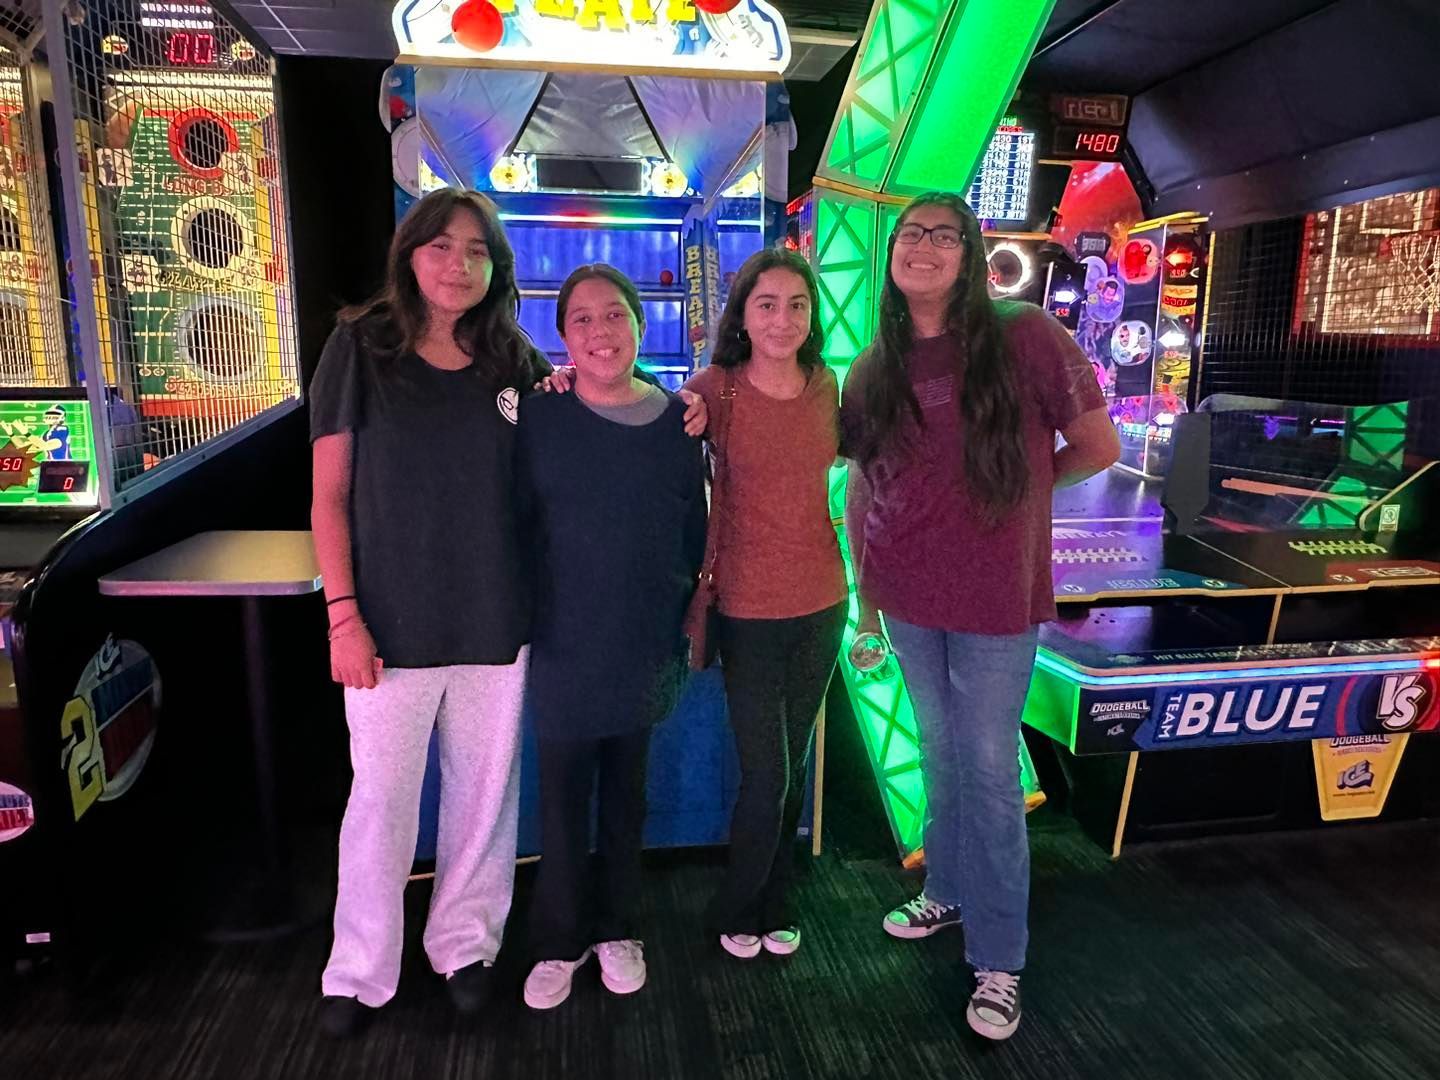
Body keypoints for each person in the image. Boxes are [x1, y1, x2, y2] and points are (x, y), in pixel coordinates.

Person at [841, 193, 1120, 1041]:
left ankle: (999, 959)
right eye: (910, 233)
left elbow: (1099, 445)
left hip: (997, 598)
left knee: (992, 771)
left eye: (943, 234)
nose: (922, 245)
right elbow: (864, 488)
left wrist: (1018, 492)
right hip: (908, 597)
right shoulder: (873, 366)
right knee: (941, 753)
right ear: (892, 254)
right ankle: (949, 891)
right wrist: (866, 601)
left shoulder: (1024, 334)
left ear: (970, 254)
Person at [309, 188, 549, 1037]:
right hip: (388, 626)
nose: (459, 264)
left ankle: (464, 946)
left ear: (496, 268)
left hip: (495, 617)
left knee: (485, 799)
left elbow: (561, 457)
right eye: (442, 246)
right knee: (381, 803)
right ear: (410, 253)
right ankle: (359, 969)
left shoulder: (513, 358)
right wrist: (344, 617)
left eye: (478, 251)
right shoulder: (360, 345)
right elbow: (329, 497)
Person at [517, 264, 706, 1011]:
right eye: (583, 319)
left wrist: (684, 618)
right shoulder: (539, 416)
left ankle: (620, 929)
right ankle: (558, 940)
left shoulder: (678, 423)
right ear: (563, 338)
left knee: (628, 798)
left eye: (615, 314)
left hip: (643, 642)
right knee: (562, 803)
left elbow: (691, 531)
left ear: (641, 323)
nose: (601, 331)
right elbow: (516, 520)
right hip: (563, 639)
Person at [683, 248, 845, 960]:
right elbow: (642, 419)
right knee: (768, 770)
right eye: (768, 304)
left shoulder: (828, 385)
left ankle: (775, 899)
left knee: (795, 758)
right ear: (743, 316)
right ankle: (737, 905)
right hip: (747, 606)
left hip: (823, 600)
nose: (783, 319)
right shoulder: (715, 389)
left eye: (797, 305)